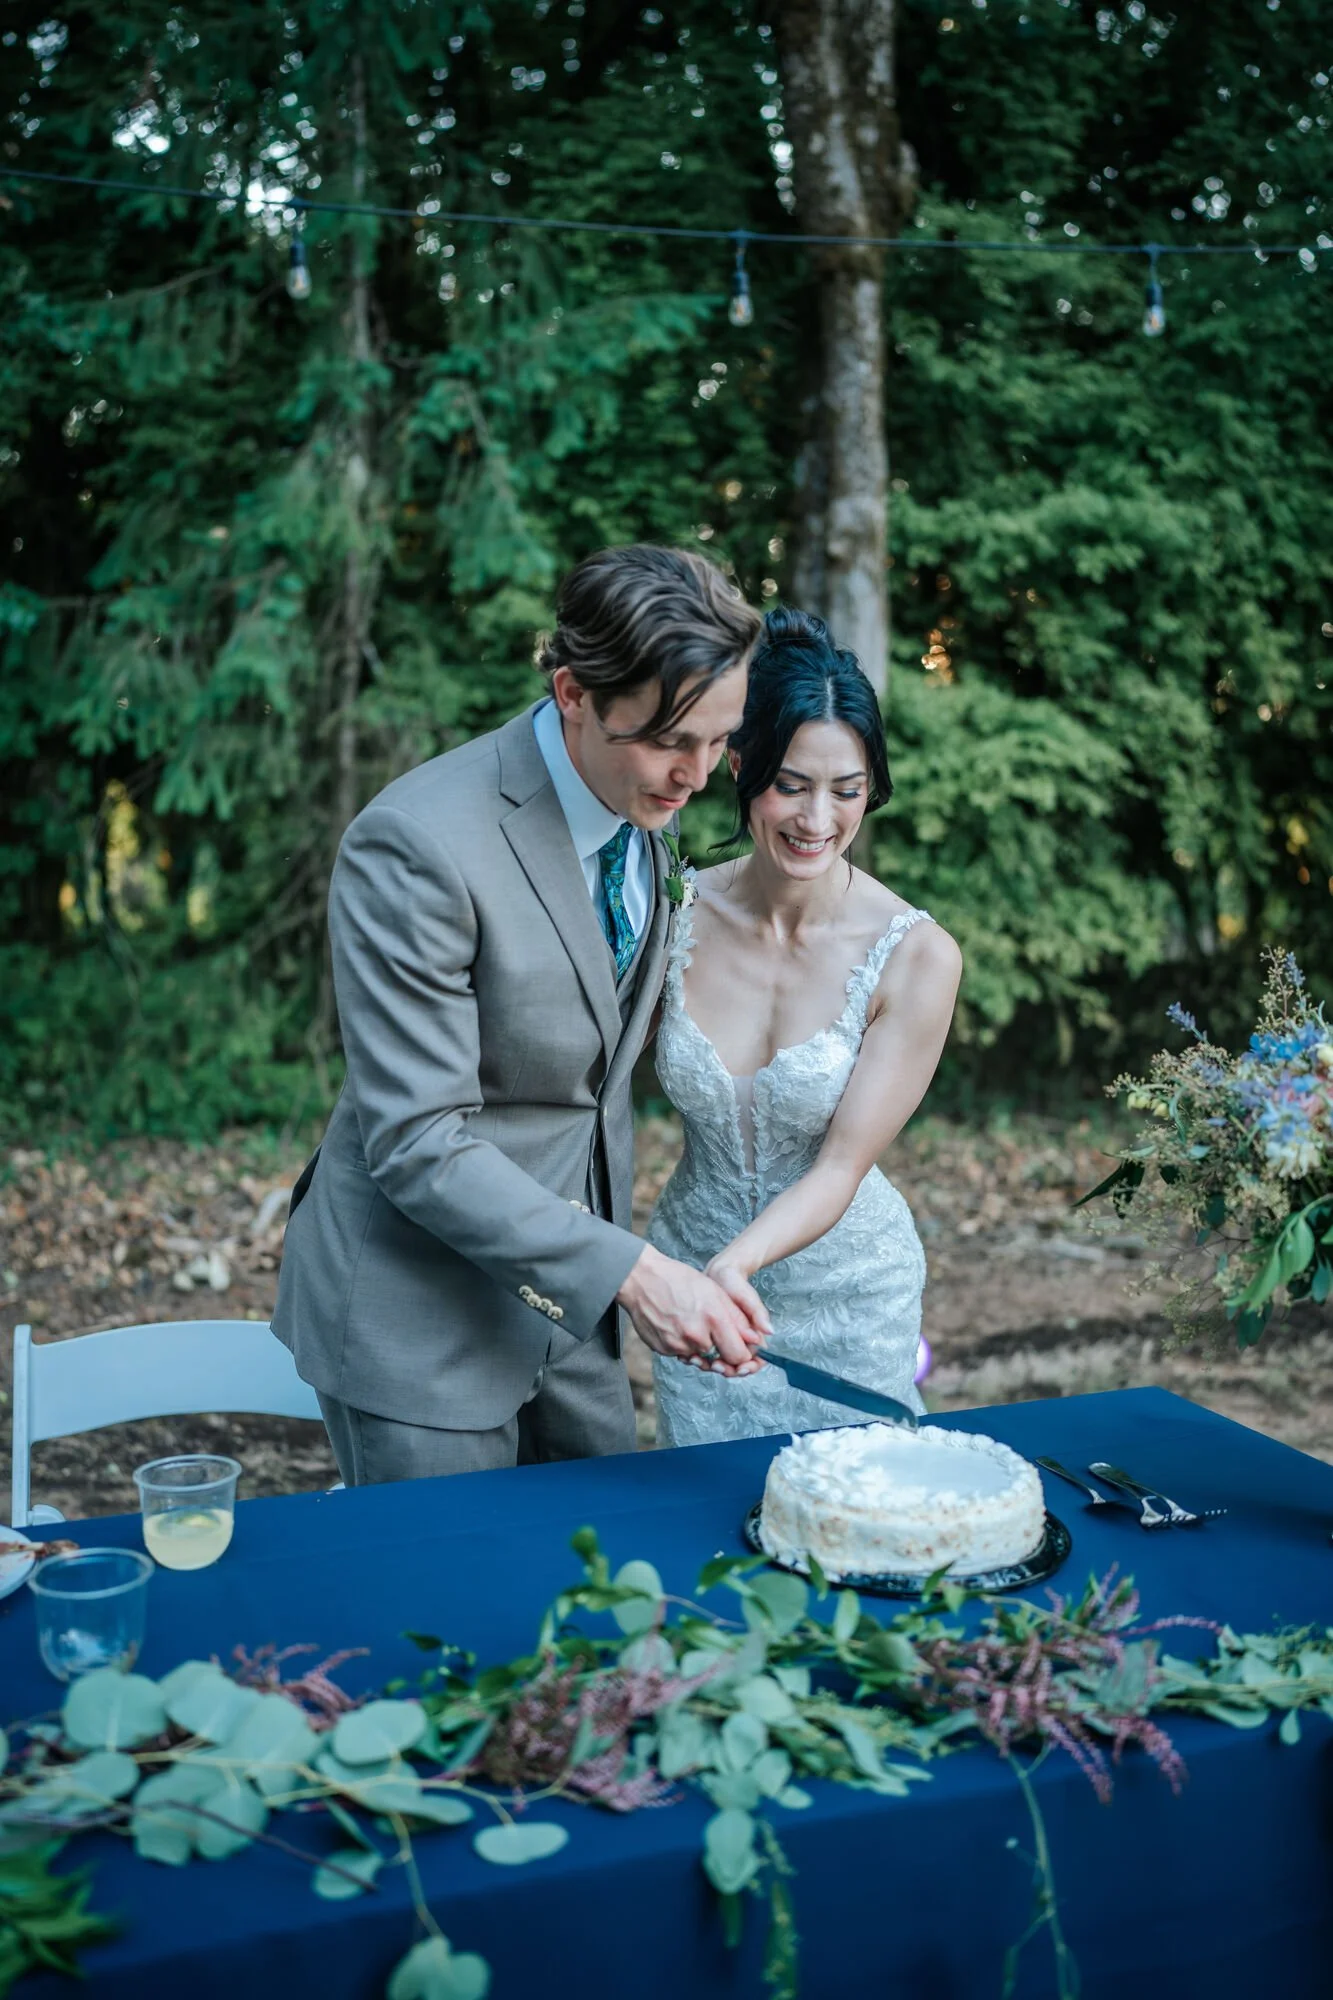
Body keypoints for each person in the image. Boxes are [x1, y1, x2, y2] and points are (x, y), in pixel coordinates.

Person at [272, 545, 771, 1485]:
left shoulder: (642, 808)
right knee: (452, 1580)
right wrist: (633, 1273)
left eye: (719, 741)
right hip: (420, 1323)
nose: (697, 776)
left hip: (573, 1314)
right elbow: (416, 1140)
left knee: (605, 1564)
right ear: (573, 693)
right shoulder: (416, 845)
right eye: (670, 741)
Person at [647, 607, 962, 1446]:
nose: (816, 820)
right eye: (790, 784)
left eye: (846, 790)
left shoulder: (916, 957)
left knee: (848, 1504)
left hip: (845, 1298)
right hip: (692, 1286)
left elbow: (840, 1166)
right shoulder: (671, 910)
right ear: (738, 764)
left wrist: (735, 1263)